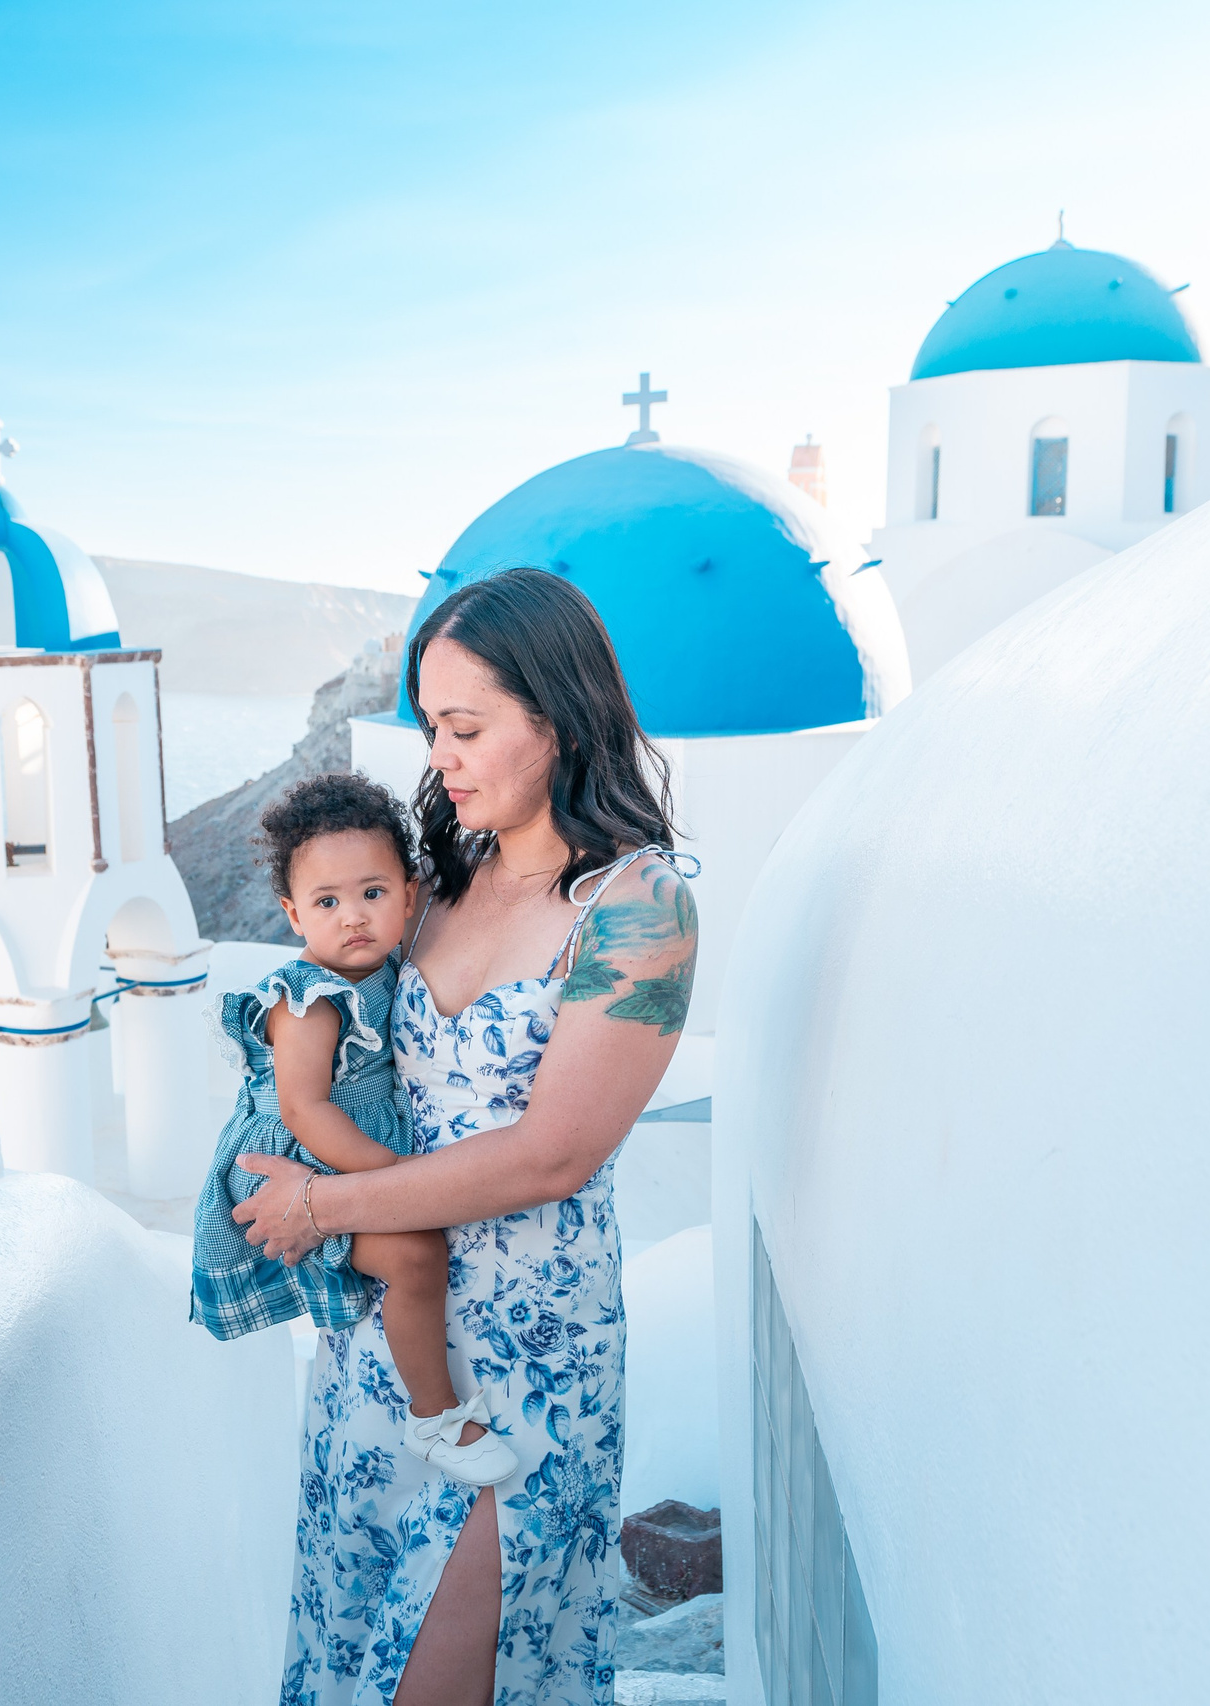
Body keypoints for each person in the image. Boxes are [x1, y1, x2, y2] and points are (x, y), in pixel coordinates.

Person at [236, 568, 698, 1706]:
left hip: (530, 1371)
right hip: (388, 1347)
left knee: (439, 1671)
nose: (438, 755)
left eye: (466, 726)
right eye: (430, 726)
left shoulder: (635, 906)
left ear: (558, 716)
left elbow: (555, 1153)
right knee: (352, 1649)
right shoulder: (439, 877)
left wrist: (321, 1205)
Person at [189, 772, 517, 1487]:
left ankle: (432, 1406)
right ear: (293, 914)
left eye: (372, 894)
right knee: (415, 1255)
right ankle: (435, 1416)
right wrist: (397, 1183)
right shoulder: (308, 999)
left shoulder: (386, 957)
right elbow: (306, 1110)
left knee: (418, 1253)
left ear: (406, 892)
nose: (353, 917)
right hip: (297, 1155)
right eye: (327, 902)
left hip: (341, 1147)